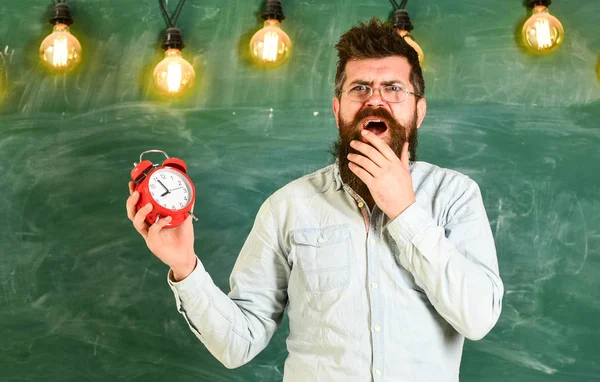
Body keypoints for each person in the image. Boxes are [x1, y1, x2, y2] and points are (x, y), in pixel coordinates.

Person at [126, 18, 503, 382]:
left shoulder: (455, 195)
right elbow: (237, 344)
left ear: (418, 112)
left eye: (393, 88)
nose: (376, 100)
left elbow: (478, 318)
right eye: (359, 88)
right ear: (338, 110)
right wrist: (185, 267)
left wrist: (405, 212)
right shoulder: (287, 207)